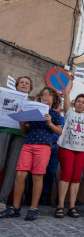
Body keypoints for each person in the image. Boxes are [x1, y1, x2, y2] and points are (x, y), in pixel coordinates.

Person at [0, 86, 62, 221]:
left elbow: (59, 132)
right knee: (20, 174)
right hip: (28, 145)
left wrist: (49, 123)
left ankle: (33, 208)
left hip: (43, 147)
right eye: (42, 95)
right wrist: (22, 120)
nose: (45, 97)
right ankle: (15, 208)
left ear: (54, 99)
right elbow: (24, 131)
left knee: (37, 176)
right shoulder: (33, 112)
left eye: (48, 95)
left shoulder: (55, 114)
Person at [55, 74, 84, 218]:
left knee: (76, 178)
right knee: (66, 175)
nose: (80, 103)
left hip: (82, 150)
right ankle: (61, 205)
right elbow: (66, 94)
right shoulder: (69, 112)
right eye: (78, 101)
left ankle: (72, 206)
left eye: (83, 102)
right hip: (66, 147)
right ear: (75, 103)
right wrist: (71, 80)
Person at [0, 77, 33, 212]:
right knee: (0, 163)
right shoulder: (4, 95)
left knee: (12, 168)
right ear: (16, 86)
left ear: (30, 88)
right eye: (21, 82)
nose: (24, 84)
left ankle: (2, 201)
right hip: (4, 130)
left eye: (27, 83)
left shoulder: (32, 103)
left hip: (21, 134)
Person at [40, 104, 64, 206]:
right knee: (39, 171)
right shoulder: (43, 114)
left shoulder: (61, 118)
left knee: (50, 172)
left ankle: (46, 197)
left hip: (55, 147)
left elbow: (61, 132)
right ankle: (32, 197)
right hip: (43, 145)